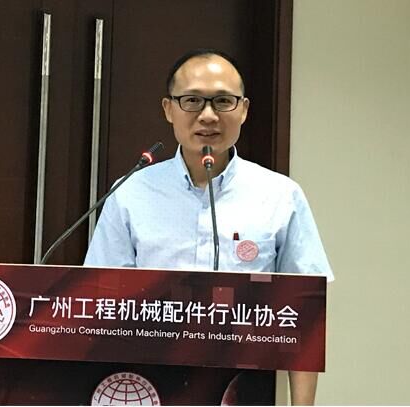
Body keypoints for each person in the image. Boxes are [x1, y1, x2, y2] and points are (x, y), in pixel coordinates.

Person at [84, 48, 333, 405]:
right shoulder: (130, 193)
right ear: (168, 109)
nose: (208, 115)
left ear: (243, 109)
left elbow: (305, 312)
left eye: (223, 101)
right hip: (149, 389)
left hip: (242, 391)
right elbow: (99, 305)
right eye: (192, 101)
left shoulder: (281, 195)